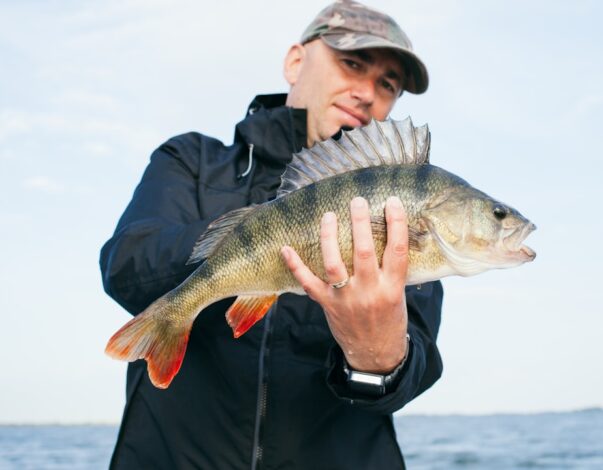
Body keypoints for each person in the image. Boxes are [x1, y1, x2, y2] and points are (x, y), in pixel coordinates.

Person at [100, 1, 443, 468]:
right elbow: (125, 266)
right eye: (353, 63)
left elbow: (411, 369)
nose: (366, 92)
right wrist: (258, 240)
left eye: (388, 84)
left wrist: (378, 359)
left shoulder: (397, 209)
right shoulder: (190, 160)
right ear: (295, 62)